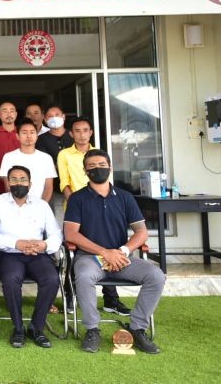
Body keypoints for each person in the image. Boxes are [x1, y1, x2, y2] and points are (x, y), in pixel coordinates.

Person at [64, 149, 166, 354]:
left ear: (110, 168)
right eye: (91, 166)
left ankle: (137, 329)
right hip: (90, 258)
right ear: (85, 171)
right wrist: (104, 252)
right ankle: (92, 330)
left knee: (156, 276)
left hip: (121, 258)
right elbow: (71, 235)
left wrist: (123, 250)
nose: (97, 169)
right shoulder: (77, 198)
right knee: (83, 276)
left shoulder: (125, 197)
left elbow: (141, 232)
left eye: (101, 165)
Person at [0, 165, 62, 349]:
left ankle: (36, 328)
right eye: (14, 179)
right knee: (11, 279)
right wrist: (16, 244)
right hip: (9, 254)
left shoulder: (41, 205)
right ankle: (18, 328)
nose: (19, 183)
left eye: (23, 179)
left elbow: (56, 234)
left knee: (51, 279)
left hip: (37, 254)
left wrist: (44, 245)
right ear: (8, 182)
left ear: (30, 183)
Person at [57, 117, 128, 316]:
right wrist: (77, 203)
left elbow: (107, 179)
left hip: (103, 205)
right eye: (77, 131)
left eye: (85, 130)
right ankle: (70, 297)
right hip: (77, 208)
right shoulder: (64, 154)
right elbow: (64, 182)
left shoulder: (100, 153)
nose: (81, 134)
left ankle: (111, 300)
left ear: (91, 133)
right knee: (74, 252)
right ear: (71, 134)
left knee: (109, 246)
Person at [0, 118, 57, 203]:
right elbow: (8, 185)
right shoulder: (8, 157)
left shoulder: (46, 158)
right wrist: (18, 204)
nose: (29, 136)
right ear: (17, 136)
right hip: (16, 206)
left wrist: (42, 206)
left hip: (40, 205)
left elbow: (48, 186)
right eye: (24, 133)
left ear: (37, 136)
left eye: (32, 132)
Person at [35, 105, 73, 216]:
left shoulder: (73, 135)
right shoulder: (41, 139)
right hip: (53, 186)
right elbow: (44, 163)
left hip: (76, 184)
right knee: (58, 216)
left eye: (57, 115)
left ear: (63, 117)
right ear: (45, 119)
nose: (54, 118)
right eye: (50, 116)